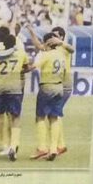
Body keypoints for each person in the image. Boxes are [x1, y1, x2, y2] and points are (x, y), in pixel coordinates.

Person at [31, 32, 66, 160]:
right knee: (54, 117)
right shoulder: (61, 54)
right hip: (59, 87)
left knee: (40, 117)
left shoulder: (46, 55)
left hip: (47, 86)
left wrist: (22, 69)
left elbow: (33, 66)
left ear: (46, 43)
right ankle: (53, 149)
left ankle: (42, 148)